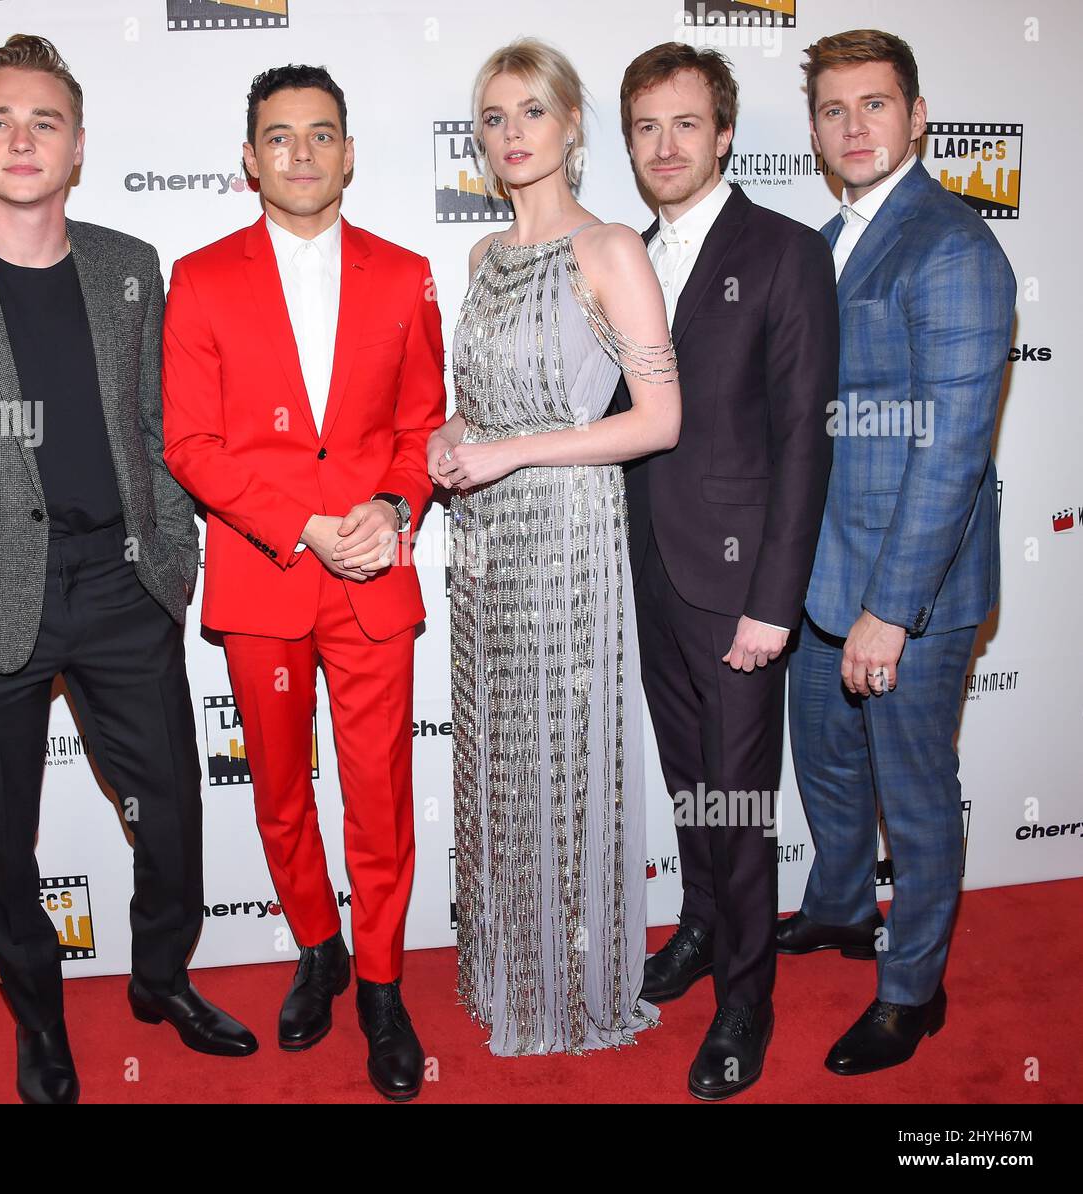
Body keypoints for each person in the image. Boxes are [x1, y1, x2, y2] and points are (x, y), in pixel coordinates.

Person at [0, 35, 256, 1106]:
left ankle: (161, 979)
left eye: (44, 121)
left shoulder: (129, 266)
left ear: (78, 146)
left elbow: (161, 425)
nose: (21, 138)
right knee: (2, 835)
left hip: (124, 586)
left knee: (171, 807)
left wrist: (172, 560)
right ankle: (39, 1020)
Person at [161, 65, 446, 1102]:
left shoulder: (405, 271)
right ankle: (317, 946)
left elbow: (420, 428)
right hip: (263, 576)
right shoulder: (199, 277)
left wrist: (395, 508)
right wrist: (303, 524)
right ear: (250, 157)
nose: (300, 153)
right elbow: (188, 443)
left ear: (349, 152)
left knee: (379, 797)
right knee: (281, 795)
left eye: (320, 134)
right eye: (278, 137)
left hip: (372, 579)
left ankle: (380, 985)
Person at [430, 37, 682, 1056]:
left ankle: (573, 984)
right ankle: (507, 966)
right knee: (497, 755)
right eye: (492, 118)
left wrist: (508, 454)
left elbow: (658, 419)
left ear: (572, 125)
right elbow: (472, 409)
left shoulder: (610, 247)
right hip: (484, 540)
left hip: (568, 536)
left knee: (563, 758)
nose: (511, 135)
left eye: (530, 112)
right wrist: (454, 436)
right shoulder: (480, 256)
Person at [607, 44, 837, 1100]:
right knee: (695, 785)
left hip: (739, 584)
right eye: (646, 126)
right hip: (646, 572)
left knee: (739, 803)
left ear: (726, 131)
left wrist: (772, 606)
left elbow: (803, 441)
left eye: (685, 124)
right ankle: (702, 925)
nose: (664, 145)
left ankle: (745, 998)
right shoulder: (624, 255)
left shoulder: (784, 252)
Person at [786, 29, 1015, 1076]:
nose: (853, 127)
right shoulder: (830, 237)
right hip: (817, 573)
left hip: (905, 590)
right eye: (833, 110)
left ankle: (910, 991)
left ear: (917, 116)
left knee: (915, 799)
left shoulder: (951, 244)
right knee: (829, 771)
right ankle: (837, 906)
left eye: (873, 105)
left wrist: (892, 609)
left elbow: (953, 450)